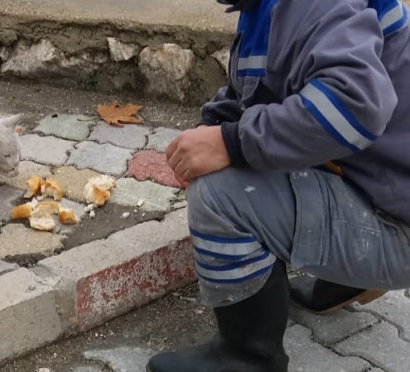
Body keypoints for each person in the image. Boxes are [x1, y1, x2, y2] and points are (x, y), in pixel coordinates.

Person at [146, 0, 410, 371]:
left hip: (398, 223)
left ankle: (247, 358)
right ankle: (347, 279)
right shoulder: (271, 7)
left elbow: (357, 105)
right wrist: (212, 127)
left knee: (221, 191)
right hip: (391, 189)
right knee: (283, 145)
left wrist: (230, 144)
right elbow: (265, 89)